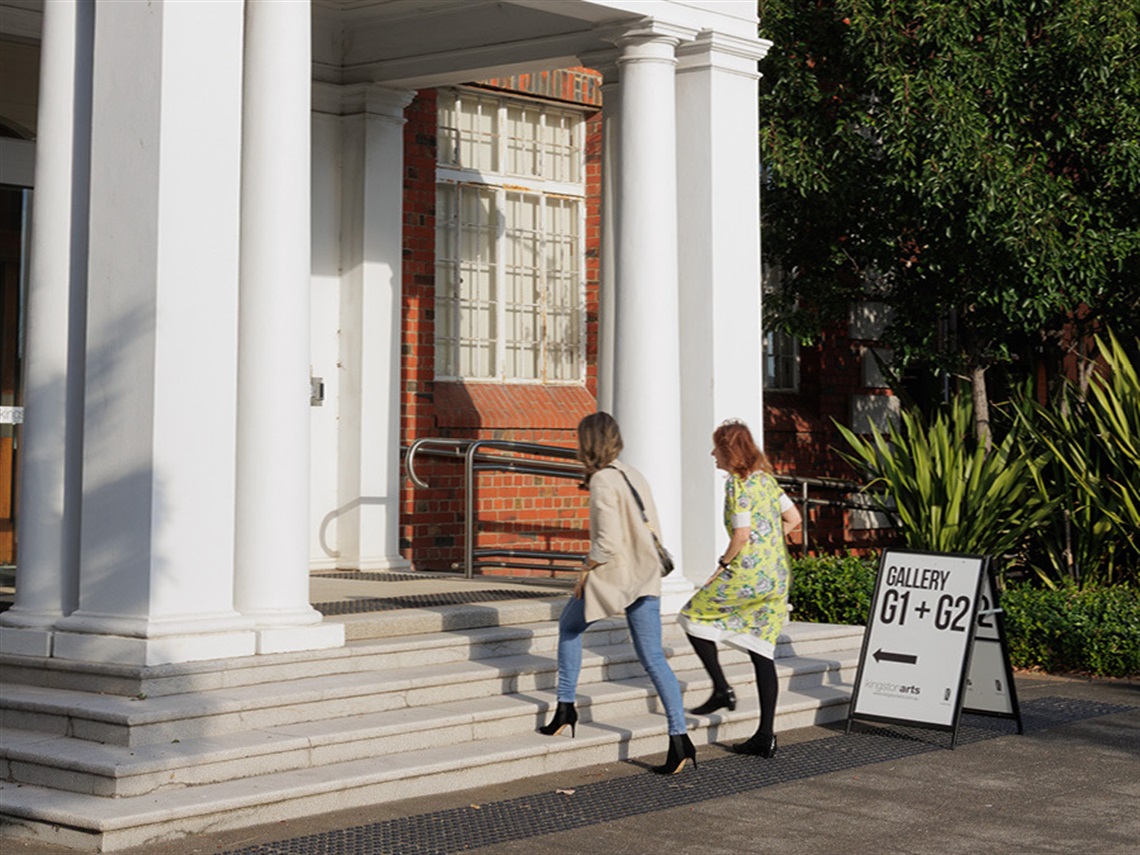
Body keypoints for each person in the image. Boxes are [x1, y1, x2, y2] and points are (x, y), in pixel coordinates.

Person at [539, 412, 695, 775]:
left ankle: (565, 707)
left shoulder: (602, 481)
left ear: (586, 443)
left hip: (616, 577)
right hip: (645, 576)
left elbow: (606, 544)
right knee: (654, 658)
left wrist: (584, 571)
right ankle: (680, 738)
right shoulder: (633, 473)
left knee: (569, 627)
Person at [678, 419, 802, 758]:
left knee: (691, 616)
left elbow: (741, 534)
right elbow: (794, 520)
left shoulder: (738, 485)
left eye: (716, 447)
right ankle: (765, 736)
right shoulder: (767, 481)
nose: (712, 453)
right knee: (762, 650)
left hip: (746, 574)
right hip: (776, 576)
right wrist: (768, 541)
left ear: (730, 451)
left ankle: (721, 688)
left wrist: (722, 565)